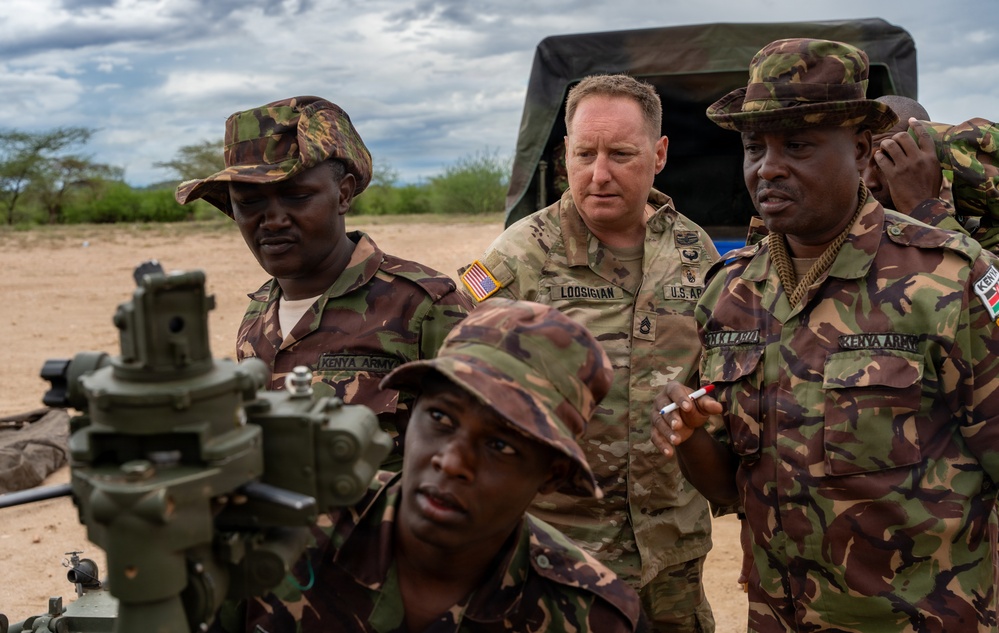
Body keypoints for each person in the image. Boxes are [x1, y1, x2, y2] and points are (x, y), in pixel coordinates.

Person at [651, 37, 999, 632]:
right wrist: (686, 437)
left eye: (799, 145)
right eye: (754, 147)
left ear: (861, 149)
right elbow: (735, 490)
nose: (769, 167)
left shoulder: (950, 279)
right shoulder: (731, 294)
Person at [458, 74, 719, 631]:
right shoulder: (522, 255)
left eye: (621, 154)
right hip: (562, 549)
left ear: (660, 154)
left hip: (672, 544)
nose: (599, 174)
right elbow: (467, 386)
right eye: (584, 154)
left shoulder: (696, 251)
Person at [233, 298, 647, 632]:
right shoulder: (283, 534)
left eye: (500, 445)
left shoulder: (591, 617)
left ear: (551, 474)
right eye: (440, 419)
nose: (451, 463)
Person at [175, 96, 472, 468]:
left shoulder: (424, 307)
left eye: (297, 196)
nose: (272, 220)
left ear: (343, 194)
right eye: (248, 203)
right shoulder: (259, 316)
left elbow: (479, 459)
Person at [863, 95, 999, 251]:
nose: (868, 182)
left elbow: (971, 272)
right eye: (859, 161)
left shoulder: (970, 230)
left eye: (889, 159)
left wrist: (923, 211)